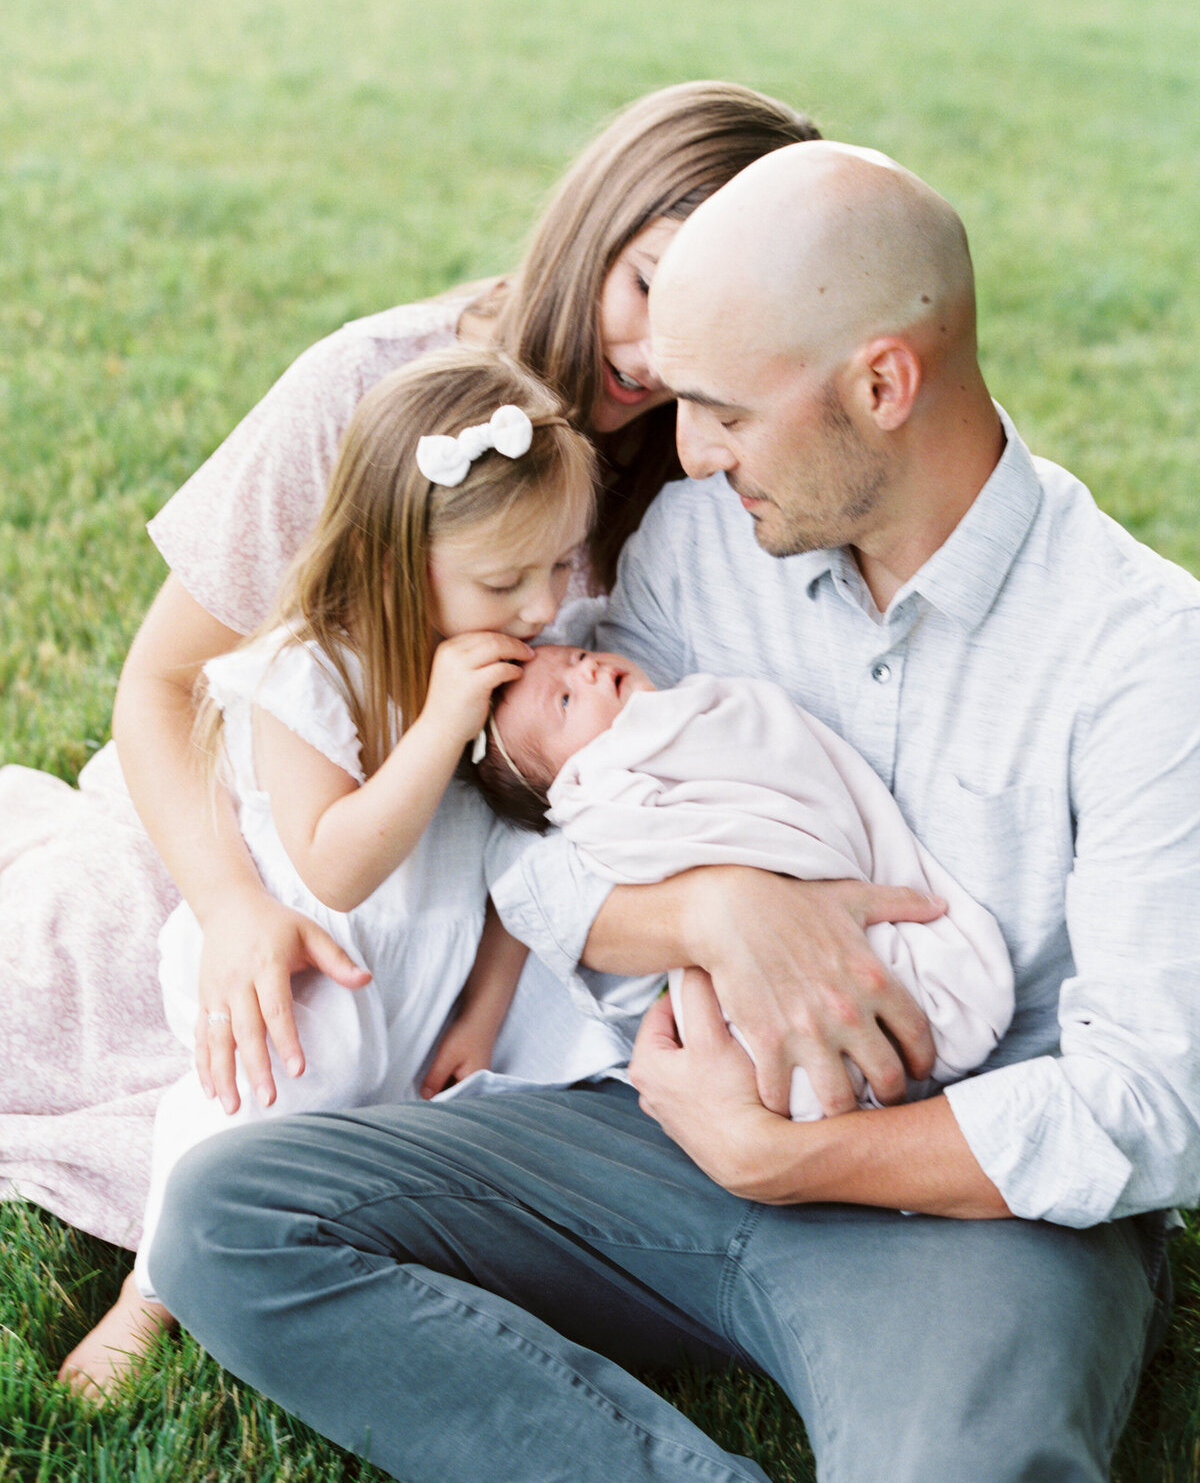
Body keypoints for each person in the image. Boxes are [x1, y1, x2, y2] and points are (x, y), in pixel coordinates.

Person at [152, 139, 1200, 1482]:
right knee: (228, 1215)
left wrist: (792, 1156)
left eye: (724, 410)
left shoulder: (1141, 656)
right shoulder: (707, 539)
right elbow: (526, 843)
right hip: (650, 1124)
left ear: (881, 383)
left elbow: (1158, 1100)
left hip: (960, 1202)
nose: (687, 451)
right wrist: (705, 909)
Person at [1, 83, 830, 1254]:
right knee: (92, 1022)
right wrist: (236, 907)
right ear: (596, 221)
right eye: (646, 285)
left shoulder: (712, 456)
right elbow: (164, 684)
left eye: (715, 325)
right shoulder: (382, 392)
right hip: (250, 844)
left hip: (472, 915)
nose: (655, 356)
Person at [64, 350, 633, 1394]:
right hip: (329, 962)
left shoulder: (516, 649)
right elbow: (338, 866)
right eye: (505, 580)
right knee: (254, 1105)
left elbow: (533, 843)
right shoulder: (311, 673)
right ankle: (149, 1288)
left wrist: (485, 1003)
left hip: (450, 969)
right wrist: (440, 727)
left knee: (526, 1090)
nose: (542, 605)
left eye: (560, 565)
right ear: (394, 557)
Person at [474, 641, 1014, 1120]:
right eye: (565, 701)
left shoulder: (709, 707)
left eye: (579, 657)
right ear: (562, 780)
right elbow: (607, 852)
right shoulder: (601, 796)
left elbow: (781, 753)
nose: (589, 671)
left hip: (841, 869)